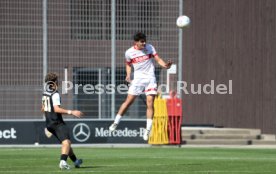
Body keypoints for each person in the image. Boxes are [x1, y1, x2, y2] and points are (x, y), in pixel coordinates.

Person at [109, 32, 172, 141]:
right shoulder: (129, 52)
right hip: (138, 79)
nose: (144, 43)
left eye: (145, 41)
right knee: (128, 102)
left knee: (150, 102)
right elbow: (128, 64)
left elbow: (158, 59)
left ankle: (147, 130)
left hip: (150, 78)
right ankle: (115, 122)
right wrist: (128, 75)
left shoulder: (150, 47)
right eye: (142, 41)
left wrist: (165, 65)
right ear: (136, 42)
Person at [41, 72, 84, 170]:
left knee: (67, 144)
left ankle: (75, 161)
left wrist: (49, 116)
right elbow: (56, 109)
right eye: (57, 81)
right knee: (66, 142)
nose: (58, 83)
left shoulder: (45, 94)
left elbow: (43, 108)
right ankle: (63, 162)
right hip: (57, 122)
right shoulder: (55, 94)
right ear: (54, 82)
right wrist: (71, 112)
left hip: (49, 123)